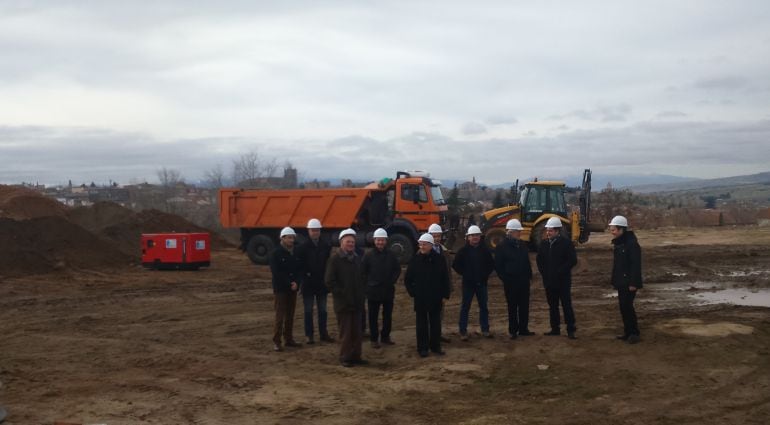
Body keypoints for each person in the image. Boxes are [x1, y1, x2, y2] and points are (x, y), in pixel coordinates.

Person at [325, 228, 367, 367]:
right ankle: (345, 357)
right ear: (341, 242)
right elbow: (329, 281)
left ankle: (356, 356)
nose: (351, 244)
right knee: (346, 332)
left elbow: (361, 278)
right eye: (348, 241)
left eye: (352, 242)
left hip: (357, 301)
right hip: (343, 303)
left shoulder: (356, 258)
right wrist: (341, 294)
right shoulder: (335, 259)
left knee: (357, 332)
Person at [405, 233, 451, 357]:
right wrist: (413, 293)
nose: (422, 247)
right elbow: (408, 279)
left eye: (424, 244)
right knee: (421, 324)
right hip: (420, 298)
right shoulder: (415, 260)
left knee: (436, 324)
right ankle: (422, 348)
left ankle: (435, 347)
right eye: (421, 244)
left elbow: (444, 278)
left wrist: (444, 295)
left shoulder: (439, 259)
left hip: (435, 297)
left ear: (431, 245)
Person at [536, 217, 578, 339]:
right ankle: (555, 328)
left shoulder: (566, 244)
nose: (548, 232)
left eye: (551, 230)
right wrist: (545, 274)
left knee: (566, 305)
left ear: (557, 231)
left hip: (563, 281)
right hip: (549, 281)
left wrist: (560, 272)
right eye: (547, 230)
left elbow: (572, 260)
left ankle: (571, 329)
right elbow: (540, 261)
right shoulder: (544, 244)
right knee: (552, 306)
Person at [452, 225, 495, 340]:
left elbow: (491, 265)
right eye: (472, 235)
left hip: (482, 283)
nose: (475, 237)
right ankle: (463, 331)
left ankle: (485, 329)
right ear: (468, 237)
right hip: (468, 284)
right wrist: (466, 274)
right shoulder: (462, 251)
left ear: (480, 237)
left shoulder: (485, 251)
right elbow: (455, 265)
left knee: (484, 307)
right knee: (465, 307)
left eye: (477, 235)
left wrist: (484, 275)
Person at [296, 218, 334, 345]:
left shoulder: (325, 246)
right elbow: (300, 266)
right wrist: (304, 277)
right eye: (313, 230)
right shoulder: (302, 247)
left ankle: (323, 333)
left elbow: (328, 264)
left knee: (323, 310)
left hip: (321, 283)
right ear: (308, 231)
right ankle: (309, 335)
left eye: (317, 230)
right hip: (308, 284)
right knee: (308, 310)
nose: (315, 232)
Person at [494, 219, 534, 339]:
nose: (519, 233)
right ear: (510, 232)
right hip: (510, 282)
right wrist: (505, 279)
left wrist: (529, 275)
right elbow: (498, 266)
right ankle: (513, 330)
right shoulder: (502, 247)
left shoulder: (522, 245)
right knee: (512, 306)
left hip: (523, 281)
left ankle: (523, 329)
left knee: (524, 306)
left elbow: (526, 262)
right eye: (518, 231)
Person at [362, 228, 401, 348]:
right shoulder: (368, 256)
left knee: (387, 316)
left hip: (388, 290)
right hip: (373, 291)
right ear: (374, 241)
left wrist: (391, 281)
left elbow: (397, 270)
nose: (380, 243)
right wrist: (368, 285)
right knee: (373, 317)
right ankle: (374, 339)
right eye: (378, 240)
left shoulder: (391, 255)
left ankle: (385, 336)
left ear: (386, 241)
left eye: (382, 240)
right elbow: (363, 272)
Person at [609, 215, 643, 344]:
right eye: (611, 230)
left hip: (629, 283)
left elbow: (635, 265)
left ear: (621, 229)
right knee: (623, 307)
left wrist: (633, 283)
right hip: (621, 282)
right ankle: (627, 332)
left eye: (614, 230)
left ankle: (634, 333)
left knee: (627, 307)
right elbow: (618, 266)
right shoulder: (620, 243)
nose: (612, 232)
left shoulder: (632, 244)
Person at [268, 227, 303, 351]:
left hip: (292, 288)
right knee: (280, 315)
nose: (291, 240)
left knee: (290, 315)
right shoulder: (275, 253)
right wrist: (290, 283)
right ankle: (277, 341)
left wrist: (297, 283)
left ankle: (289, 339)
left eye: (292, 238)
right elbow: (276, 272)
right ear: (282, 238)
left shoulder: (295, 252)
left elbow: (299, 269)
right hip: (281, 289)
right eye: (289, 237)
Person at [429, 223, 453, 343]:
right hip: (429, 289)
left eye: (438, 236)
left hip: (441, 288)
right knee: (430, 313)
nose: (437, 239)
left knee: (440, 313)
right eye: (434, 236)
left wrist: (448, 289)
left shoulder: (445, 252)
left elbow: (448, 272)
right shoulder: (423, 252)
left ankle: (438, 334)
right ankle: (430, 336)